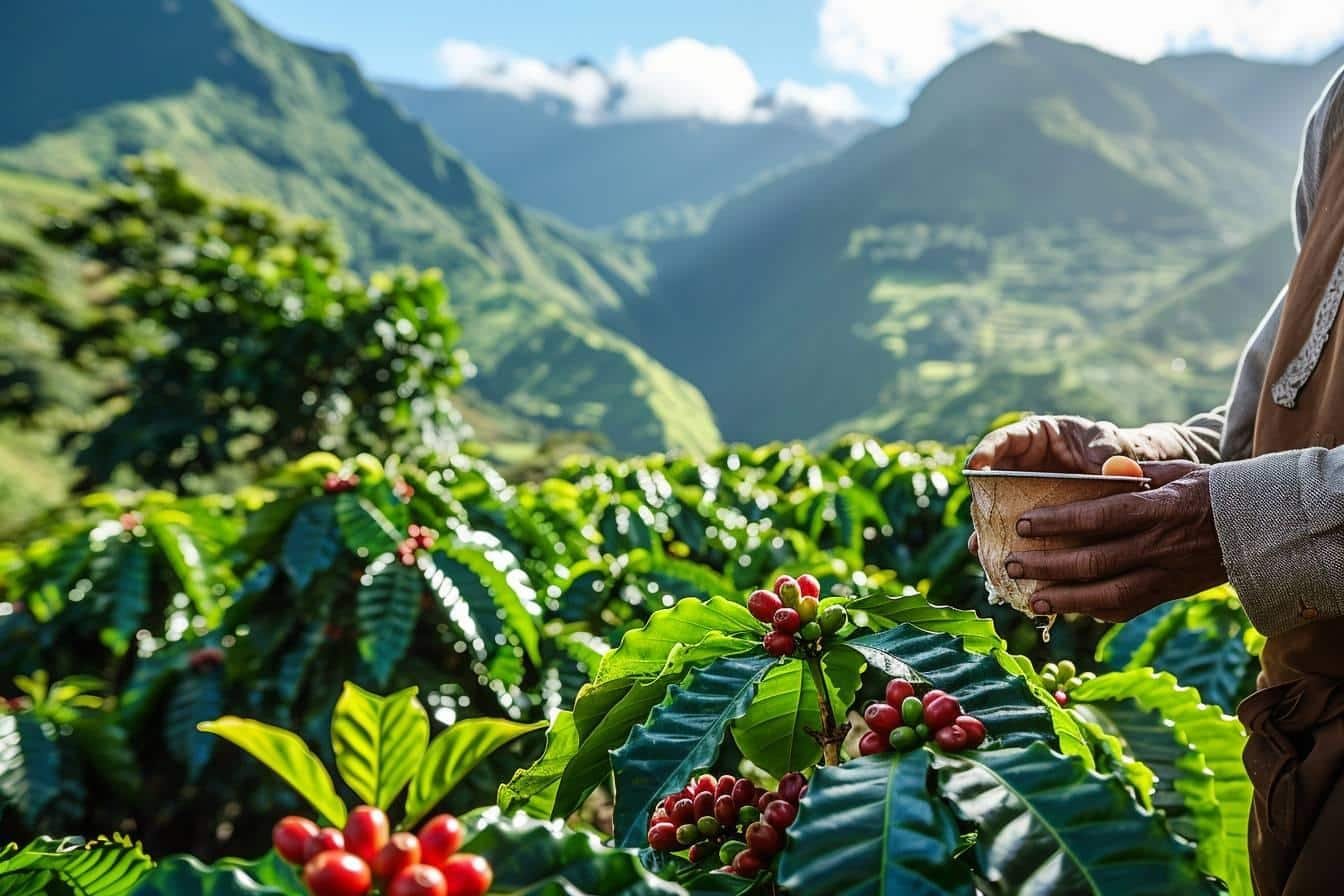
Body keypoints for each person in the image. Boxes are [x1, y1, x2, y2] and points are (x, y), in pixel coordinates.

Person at [967, 65, 1344, 895]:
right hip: (1303, 747)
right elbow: (1271, 408)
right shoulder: (1340, 114)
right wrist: (1122, 454)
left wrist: (1243, 521)